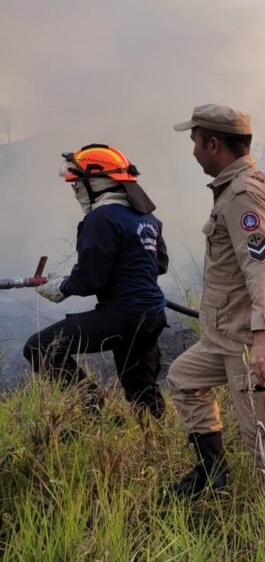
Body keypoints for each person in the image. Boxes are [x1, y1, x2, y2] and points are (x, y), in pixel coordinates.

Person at [167, 104, 265, 501]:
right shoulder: (235, 190)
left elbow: (264, 267)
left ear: (214, 144)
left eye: (195, 141)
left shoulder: (244, 195)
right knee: (183, 378)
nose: (193, 151)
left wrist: (264, 337)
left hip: (250, 341)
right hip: (227, 336)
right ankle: (212, 473)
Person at [24, 144, 169, 421]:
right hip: (152, 316)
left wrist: (61, 287)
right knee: (141, 393)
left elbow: (90, 280)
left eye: (77, 184)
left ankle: (98, 411)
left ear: (95, 184)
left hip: (122, 317)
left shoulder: (100, 218)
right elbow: (159, 265)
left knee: (38, 347)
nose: (76, 191)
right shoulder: (148, 218)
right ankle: (160, 445)